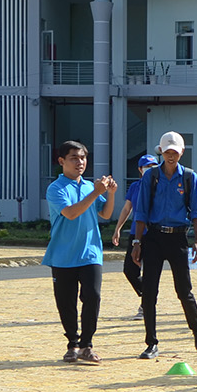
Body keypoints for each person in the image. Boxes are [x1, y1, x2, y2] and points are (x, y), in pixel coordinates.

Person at [130, 131, 197, 359]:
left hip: (178, 237)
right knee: (149, 292)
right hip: (154, 237)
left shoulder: (189, 177)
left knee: (183, 290)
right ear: (161, 152)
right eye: (167, 152)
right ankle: (151, 342)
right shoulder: (151, 177)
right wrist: (137, 242)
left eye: (175, 151)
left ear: (182, 152)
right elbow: (141, 211)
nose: (171, 156)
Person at [43, 141, 117, 363]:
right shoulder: (56, 188)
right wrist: (96, 192)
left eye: (83, 158)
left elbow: (105, 214)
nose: (80, 162)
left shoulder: (88, 187)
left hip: (90, 253)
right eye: (74, 158)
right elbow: (71, 213)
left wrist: (110, 194)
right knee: (66, 303)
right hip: (63, 255)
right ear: (61, 161)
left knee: (92, 297)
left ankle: (87, 344)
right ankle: (72, 344)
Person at [111, 154, 156, 318]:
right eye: (146, 167)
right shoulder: (135, 187)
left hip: (153, 234)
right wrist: (117, 229)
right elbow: (126, 208)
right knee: (130, 270)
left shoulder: (160, 186)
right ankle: (148, 296)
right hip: (135, 234)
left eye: (153, 167)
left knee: (150, 271)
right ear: (139, 169)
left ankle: (146, 306)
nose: (149, 170)